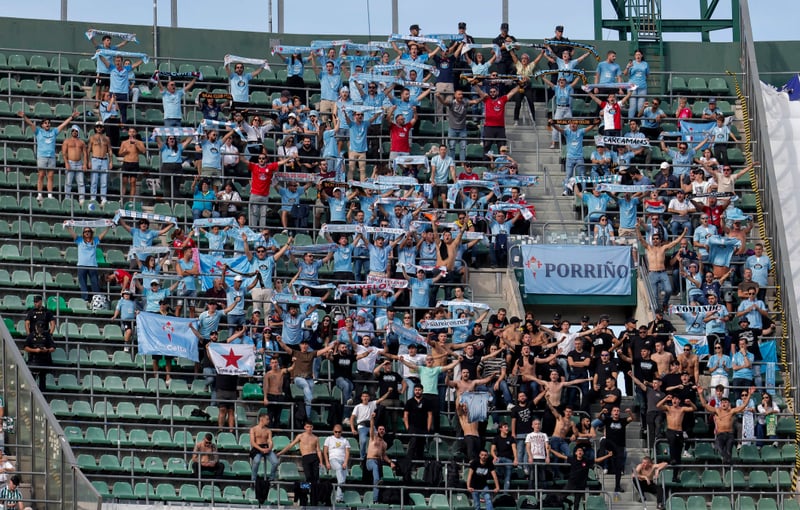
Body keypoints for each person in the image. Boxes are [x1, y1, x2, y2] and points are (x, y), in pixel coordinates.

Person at [18, 110, 77, 200]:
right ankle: (40, 195)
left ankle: (50, 195)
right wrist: (24, 117)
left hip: (51, 157)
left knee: (50, 176)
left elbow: (63, 125)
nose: (47, 124)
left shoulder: (54, 131)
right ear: (42, 125)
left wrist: (71, 117)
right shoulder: (38, 131)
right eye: (45, 123)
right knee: (41, 175)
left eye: (49, 123)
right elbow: (30, 124)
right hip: (42, 157)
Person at [637, 224, 687, 312]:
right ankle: (657, 312)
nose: (655, 240)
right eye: (653, 239)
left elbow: (675, 242)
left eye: (657, 239)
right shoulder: (649, 247)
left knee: (669, 290)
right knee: (654, 295)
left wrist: (684, 233)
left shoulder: (663, 248)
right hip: (652, 273)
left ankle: (665, 303)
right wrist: (637, 228)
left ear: (660, 240)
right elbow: (641, 239)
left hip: (662, 272)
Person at [697, 385, 753, 462]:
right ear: (720, 404)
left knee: (729, 451)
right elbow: (705, 405)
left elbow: (743, 405)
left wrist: (749, 394)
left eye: (725, 402)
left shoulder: (732, 411)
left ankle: (727, 465)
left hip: (730, 434)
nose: (724, 404)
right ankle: (727, 462)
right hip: (720, 434)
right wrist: (700, 394)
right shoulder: (717, 411)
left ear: (729, 404)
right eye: (722, 402)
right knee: (720, 449)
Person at [549, 445, 612, 510]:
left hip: (581, 484)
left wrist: (608, 455)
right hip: (572, 482)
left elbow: (597, 460)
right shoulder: (572, 459)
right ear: (576, 453)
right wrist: (551, 450)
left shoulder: (586, 461)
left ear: (583, 453)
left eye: (581, 451)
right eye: (578, 450)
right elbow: (560, 455)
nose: (580, 452)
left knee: (577, 503)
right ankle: (569, 502)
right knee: (562, 497)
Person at [471, 80, 521, 154]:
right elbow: (480, 92)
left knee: (502, 147)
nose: (492, 93)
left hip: (500, 128)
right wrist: (475, 84)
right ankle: (486, 160)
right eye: (491, 92)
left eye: (494, 92)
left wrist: (519, 86)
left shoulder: (502, 99)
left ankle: (501, 161)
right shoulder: (486, 99)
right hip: (489, 127)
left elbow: (512, 93)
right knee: (486, 146)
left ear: (497, 92)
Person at [656, 394, 696, 482]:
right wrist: (665, 398)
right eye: (673, 399)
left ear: (679, 401)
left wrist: (690, 403)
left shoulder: (682, 409)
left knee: (678, 457)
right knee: (672, 440)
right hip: (670, 430)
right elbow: (658, 406)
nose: (674, 400)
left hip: (679, 431)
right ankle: (672, 458)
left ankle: (675, 476)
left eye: (676, 399)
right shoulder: (668, 408)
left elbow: (694, 408)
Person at [67, 224, 111, 302]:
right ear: (83, 233)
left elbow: (102, 235)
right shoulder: (79, 240)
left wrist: (108, 227)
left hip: (92, 266)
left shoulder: (95, 240)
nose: (87, 233)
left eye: (88, 231)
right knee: (83, 284)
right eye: (85, 231)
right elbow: (73, 234)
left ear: (91, 232)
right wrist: (68, 227)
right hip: (81, 265)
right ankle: (85, 299)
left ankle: (97, 299)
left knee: (95, 283)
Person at [365, 415, 395, 502]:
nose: (381, 430)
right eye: (380, 429)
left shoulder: (384, 443)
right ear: (377, 430)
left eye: (383, 429)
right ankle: (377, 482)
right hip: (370, 461)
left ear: (384, 431)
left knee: (377, 479)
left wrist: (390, 462)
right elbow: (371, 427)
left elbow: (384, 455)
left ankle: (375, 500)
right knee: (375, 471)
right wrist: (372, 418)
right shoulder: (373, 438)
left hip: (379, 462)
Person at [24, 312, 55, 393]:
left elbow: (53, 347)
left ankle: (42, 394)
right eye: (39, 328)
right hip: (34, 360)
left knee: (42, 380)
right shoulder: (31, 336)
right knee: (32, 380)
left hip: (44, 361)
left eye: (41, 328)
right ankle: (32, 393)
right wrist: (35, 350)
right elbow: (26, 347)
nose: (40, 330)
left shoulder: (47, 335)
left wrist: (46, 350)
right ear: (36, 327)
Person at [323, 424, 351, 503]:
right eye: (336, 432)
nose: (337, 433)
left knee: (342, 478)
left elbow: (347, 452)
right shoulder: (329, 439)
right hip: (333, 459)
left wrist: (345, 462)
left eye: (339, 432)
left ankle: (339, 498)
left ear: (341, 432)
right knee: (339, 469)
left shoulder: (345, 440)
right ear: (333, 431)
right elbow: (325, 451)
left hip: (342, 460)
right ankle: (342, 484)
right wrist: (327, 462)